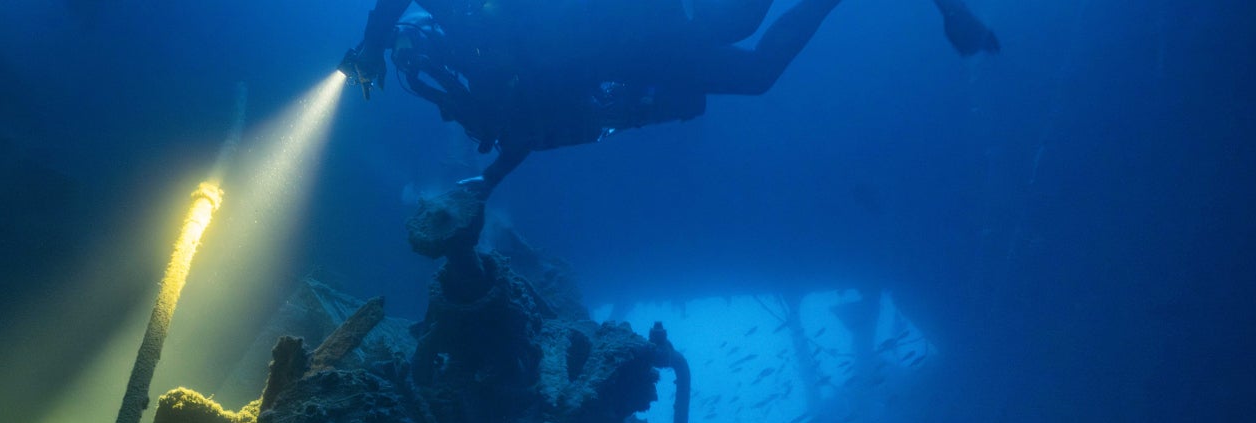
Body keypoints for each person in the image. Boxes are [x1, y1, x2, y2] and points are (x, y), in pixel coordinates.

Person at [339, 0, 998, 195]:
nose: (451, 114)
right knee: (750, 48)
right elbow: (531, 132)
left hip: (636, 40)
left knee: (748, 42)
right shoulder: (492, 92)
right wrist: (489, 180)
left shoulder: (480, 39)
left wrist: (371, 44)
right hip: (640, 52)